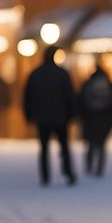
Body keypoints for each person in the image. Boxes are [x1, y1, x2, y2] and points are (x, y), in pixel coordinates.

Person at [22, 45, 77, 186]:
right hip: (60, 117)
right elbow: (70, 96)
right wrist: (72, 114)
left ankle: (45, 176)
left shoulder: (35, 74)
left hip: (42, 117)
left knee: (44, 148)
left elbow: (28, 97)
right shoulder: (62, 74)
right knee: (64, 146)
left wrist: (29, 115)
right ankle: (68, 172)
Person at [77, 62, 112, 177]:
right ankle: (99, 168)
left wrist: (81, 116)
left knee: (91, 142)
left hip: (90, 117)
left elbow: (80, 101)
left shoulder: (87, 84)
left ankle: (89, 164)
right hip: (105, 117)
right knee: (102, 144)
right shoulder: (109, 85)